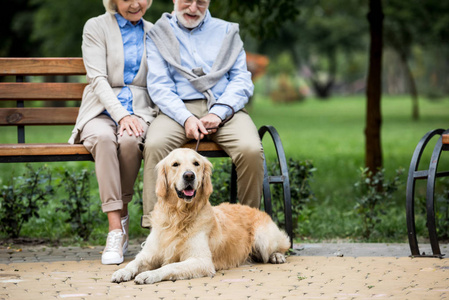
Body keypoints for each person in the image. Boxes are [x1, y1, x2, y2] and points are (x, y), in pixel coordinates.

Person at [141, 0, 264, 227]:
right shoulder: (159, 34)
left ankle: (251, 228)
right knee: (156, 144)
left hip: (224, 108)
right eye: (187, 0)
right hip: (176, 109)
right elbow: (159, 85)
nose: (193, 8)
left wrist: (219, 113)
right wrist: (185, 117)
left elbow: (241, 80)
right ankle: (156, 227)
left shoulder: (227, 32)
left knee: (251, 149)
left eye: (201, 2)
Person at [68, 0, 158, 265]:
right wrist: (121, 115)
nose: (134, 4)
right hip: (100, 109)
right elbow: (96, 79)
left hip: (140, 111)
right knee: (106, 139)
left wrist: (132, 117)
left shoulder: (155, 32)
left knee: (131, 141)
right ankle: (115, 228)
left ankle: (121, 213)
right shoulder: (95, 26)